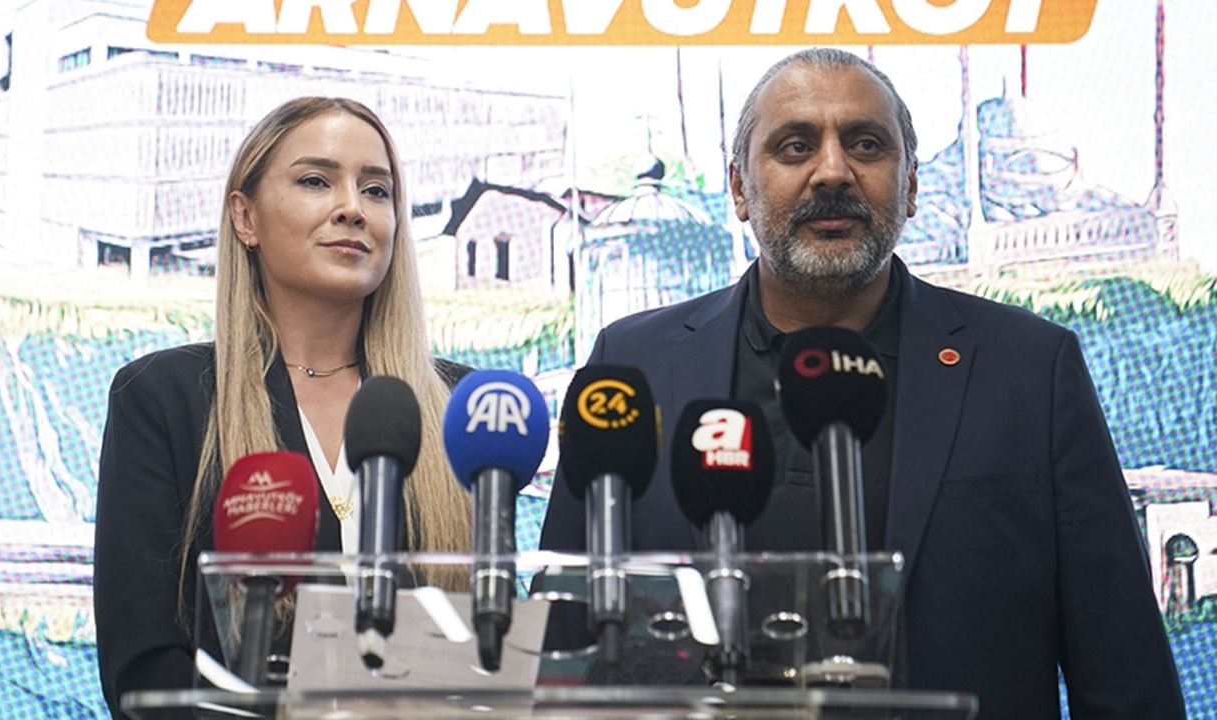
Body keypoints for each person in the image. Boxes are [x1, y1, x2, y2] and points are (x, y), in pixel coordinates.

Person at [539, 49, 1185, 718]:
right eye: (795, 146)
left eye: (866, 144)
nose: (832, 171)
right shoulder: (633, 365)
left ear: (911, 186)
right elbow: (558, 650)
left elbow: (1125, 675)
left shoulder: (1029, 369)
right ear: (739, 189)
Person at [93, 97, 471, 716]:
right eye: (317, 181)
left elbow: (491, 652)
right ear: (246, 218)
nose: (352, 208)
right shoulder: (164, 398)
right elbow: (143, 669)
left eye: (376, 190)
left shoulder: (461, 406)